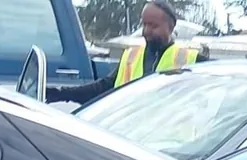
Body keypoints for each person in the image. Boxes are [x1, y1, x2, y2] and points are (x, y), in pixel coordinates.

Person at [48, 1, 200, 104]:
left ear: (171, 26)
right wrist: (62, 93)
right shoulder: (130, 57)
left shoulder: (192, 60)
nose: (146, 31)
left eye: (153, 26)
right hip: (132, 134)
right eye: (144, 25)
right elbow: (102, 88)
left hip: (172, 139)